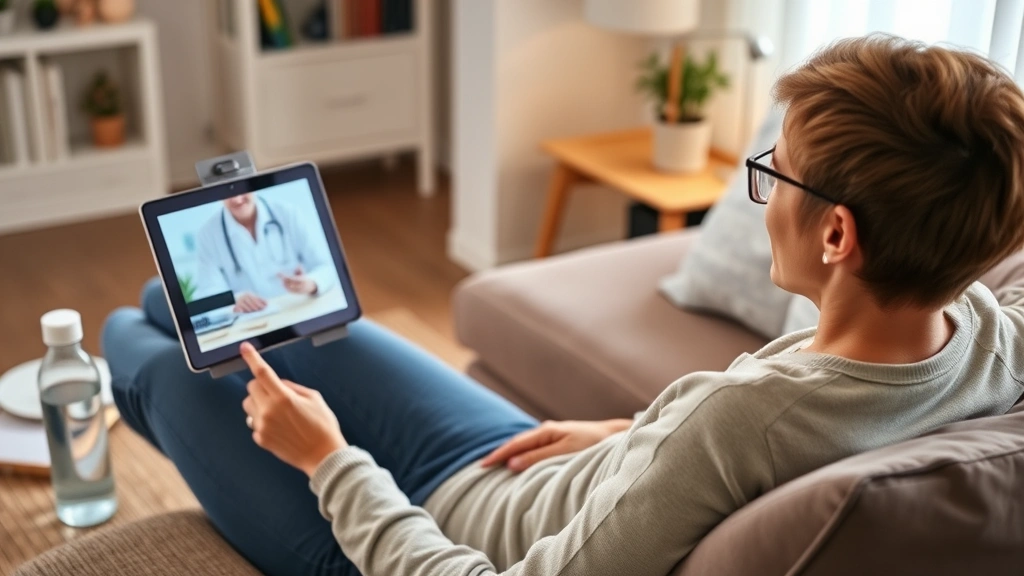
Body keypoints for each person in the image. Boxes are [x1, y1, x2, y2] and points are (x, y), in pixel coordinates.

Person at [102, 34, 1024, 576]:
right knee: (181, 303)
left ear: (837, 238)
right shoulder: (986, 333)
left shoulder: (741, 424)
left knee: (136, 348)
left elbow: (743, 434)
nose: (766, 188)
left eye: (773, 171)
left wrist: (330, 459)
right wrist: (638, 433)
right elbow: (735, 443)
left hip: (420, 531)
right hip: (521, 464)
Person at [194, 192, 336, 313]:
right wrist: (234, 299)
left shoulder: (287, 213)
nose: (237, 200)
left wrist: (312, 283)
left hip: (299, 308)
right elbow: (209, 292)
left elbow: (327, 266)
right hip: (251, 323)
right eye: (225, 195)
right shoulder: (208, 234)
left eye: (242, 192)